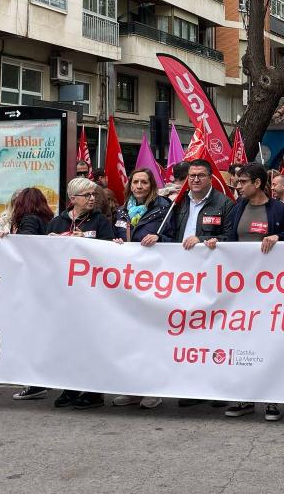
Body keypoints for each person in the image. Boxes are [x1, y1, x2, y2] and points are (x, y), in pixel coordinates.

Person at [220, 163, 284, 421]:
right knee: (242, 342)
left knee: (270, 341)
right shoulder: (237, 207)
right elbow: (229, 238)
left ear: (258, 183)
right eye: (237, 181)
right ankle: (244, 396)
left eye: (243, 181)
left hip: (271, 288)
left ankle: (272, 399)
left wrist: (280, 238)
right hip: (242, 287)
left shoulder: (279, 209)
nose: (238, 186)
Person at [158, 158, 234, 407]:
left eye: (201, 175)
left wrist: (203, 240)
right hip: (183, 275)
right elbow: (167, 233)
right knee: (187, 333)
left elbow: (231, 240)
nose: (196, 180)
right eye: (192, 176)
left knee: (214, 333)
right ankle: (191, 388)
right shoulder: (177, 203)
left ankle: (218, 389)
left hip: (212, 276)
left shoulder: (224, 204)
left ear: (210, 178)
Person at [48, 177, 114, 409]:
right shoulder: (57, 222)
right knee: (68, 342)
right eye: (87, 195)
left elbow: (110, 251)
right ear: (73, 198)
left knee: (92, 342)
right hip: (65, 292)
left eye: (94, 194)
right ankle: (70, 388)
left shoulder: (101, 221)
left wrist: (84, 240)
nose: (92, 198)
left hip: (92, 293)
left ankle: (94, 391)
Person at [109, 169, 173, 410]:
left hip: (154, 278)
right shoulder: (121, 211)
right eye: (135, 182)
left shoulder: (163, 209)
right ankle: (132, 389)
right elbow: (111, 237)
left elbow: (173, 237)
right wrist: (114, 243)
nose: (139, 186)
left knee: (151, 336)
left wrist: (160, 238)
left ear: (151, 185)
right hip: (128, 282)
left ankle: (154, 389)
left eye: (144, 182)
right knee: (129, 338)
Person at [0, 188, 55, 400]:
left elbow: (25, 245)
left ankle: (34, 382)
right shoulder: (45, 218)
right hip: (43, 283)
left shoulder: (29, 219)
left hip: (30, 283)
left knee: (28, 333)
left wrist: (10, 238)